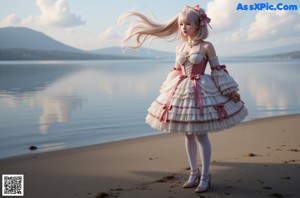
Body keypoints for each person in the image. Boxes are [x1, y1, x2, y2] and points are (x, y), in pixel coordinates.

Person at [119, 4, 248, 193]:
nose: (184, 27)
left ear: (198, 25)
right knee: (188, 134)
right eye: (181, 24)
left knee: (201, 133)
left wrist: (230, 91)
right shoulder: (180, 47)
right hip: (183, 89)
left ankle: (205, 176)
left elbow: (217, 70)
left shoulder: (206, 46)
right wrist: (166, 91)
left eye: (188, 24)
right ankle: (193, 173)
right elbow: (177, 70)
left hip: (202, 90)